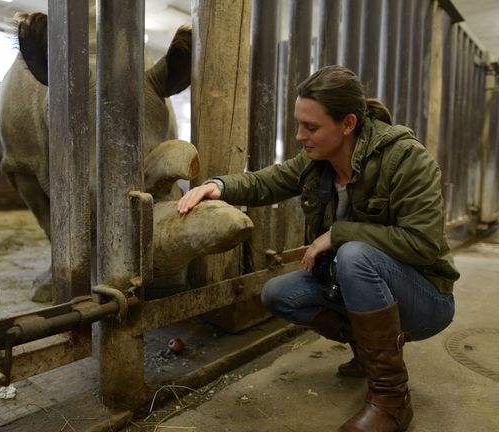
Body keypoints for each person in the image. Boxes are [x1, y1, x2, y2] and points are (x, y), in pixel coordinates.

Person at [177, 65, 459, 431]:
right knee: (280, 293)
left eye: (311, 127)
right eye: (298, 124)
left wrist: (338, 234)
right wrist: (217, 186)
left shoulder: (405, 158)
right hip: (365, 287)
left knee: (354, 253)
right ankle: (370, 354)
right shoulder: (317, 162)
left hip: (426, 298)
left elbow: (422, 243)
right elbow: (267, 181)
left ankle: (391, 400)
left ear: (348, 124)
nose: (300, 136)